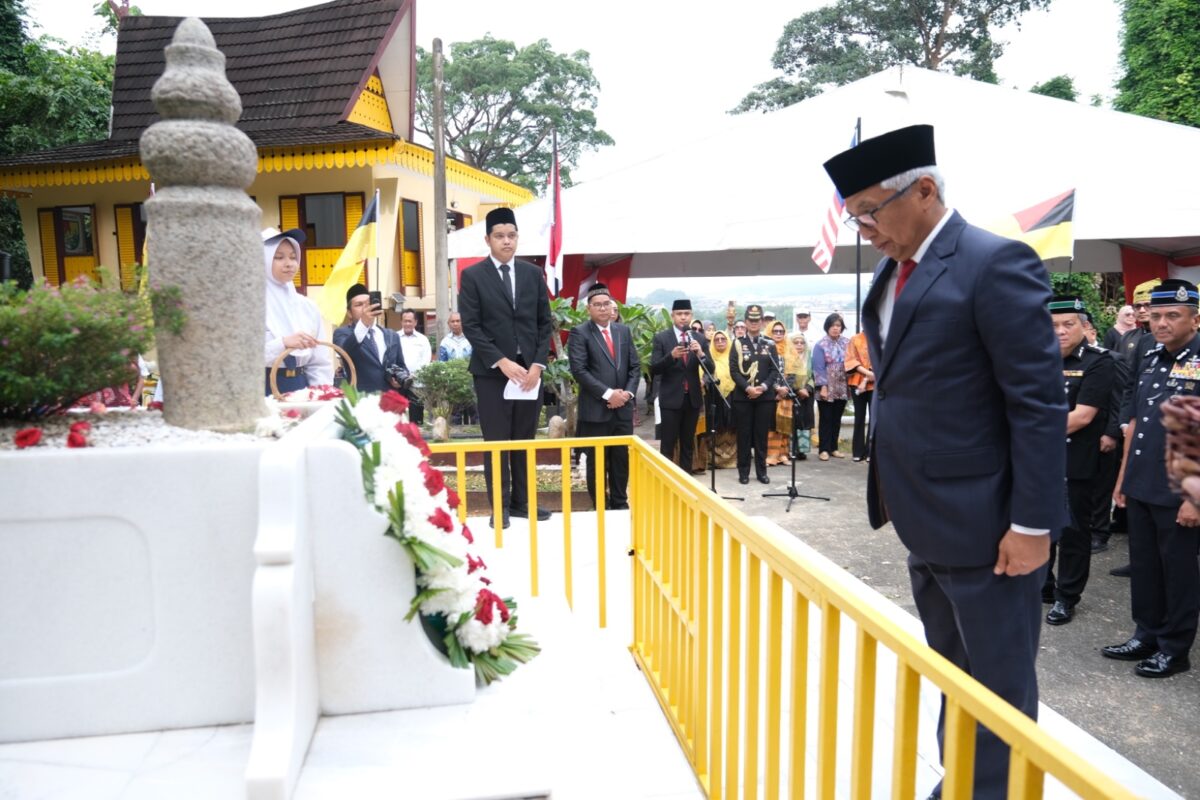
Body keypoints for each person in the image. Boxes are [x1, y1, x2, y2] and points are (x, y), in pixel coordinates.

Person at [823, 124, 1066, 800]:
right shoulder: (889, 271)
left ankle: (995, 791)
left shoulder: (995, 263)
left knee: (999, 686)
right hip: (925, 521)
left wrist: (1033, 524)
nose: (865, 228)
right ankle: (962, 780)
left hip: (991, 527)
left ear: (924, 190)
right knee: (954, 671)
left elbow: (1037, 405)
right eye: (855, 217)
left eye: (872, 211)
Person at [1107, 279, 1200, 678]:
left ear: (1195, 319)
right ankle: (1146, 633)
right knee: (1144, 566)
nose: (1161, 322)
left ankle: (1175, 649)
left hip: (1181, 489)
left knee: (1177, 572)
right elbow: (1138, 425)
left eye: (1172, 316)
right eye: (1156, 315)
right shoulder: (1153, 358)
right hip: (1143, 481)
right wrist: (1123, 481)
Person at [458, 207, 553, 529]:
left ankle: (523, 503)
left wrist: (537, 365)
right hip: (491, 373)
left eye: (511, 235)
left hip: (530, 373)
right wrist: (501, 360)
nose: (506, 241)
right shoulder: (472, 276)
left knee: (524, 439)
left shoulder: (532, 275)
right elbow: (472, 326)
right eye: (499, 236)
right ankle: (499, 508)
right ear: (488, 239)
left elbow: (544, 323)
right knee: (497, 440)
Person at [1041, 296, 1114, 626]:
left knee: (1071, 532)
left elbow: (1082, 417)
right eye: (1053, 325)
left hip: (1075, 460)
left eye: (1068, 324)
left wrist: (1028, 429)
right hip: (1038, 460)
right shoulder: (1037, 360)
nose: (1060, 331)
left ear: (1084, 326)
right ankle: (1042, 586)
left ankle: (1067, 597)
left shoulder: (1098, 361)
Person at [567, 283, 640, 510]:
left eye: (606, 304)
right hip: (596, 412)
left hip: (622, 410)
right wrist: (608, 394)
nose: (602, 309)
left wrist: (626, 394)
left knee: (621, 460)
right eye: (597, 305)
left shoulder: (623, 331)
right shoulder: (580, 333)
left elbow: (635, 367)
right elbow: (579, 371)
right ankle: (600, 505)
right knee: (597, 463)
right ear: (588, 308)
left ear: (612, 307)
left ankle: (620, 503)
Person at [263, 227, 332, 395]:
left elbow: (319, 361)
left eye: (293, 257)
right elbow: (242, 359)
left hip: (302, 386)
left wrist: (321, 394)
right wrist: (283, 343)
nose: (289, 263)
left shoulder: (307, 306)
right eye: (279, 257)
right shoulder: (249, 306)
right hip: (263, 387)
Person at [650, 299, 710, 473]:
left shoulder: (698, 338)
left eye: (687, 314)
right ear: (672, 316)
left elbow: (710, 368)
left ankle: (685, 481)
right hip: (670, 399)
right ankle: (666, 481)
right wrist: (671, 356)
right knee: (668, 444)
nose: (683, 318)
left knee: (688, 443)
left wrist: (701, 353)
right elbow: (654, 368)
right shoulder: (662, 338)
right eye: (679, 314)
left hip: (692, 399)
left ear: (691, 315)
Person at [729, 304, 784, 485]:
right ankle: (743, 471)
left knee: (761, 436)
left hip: (764, 397)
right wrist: (748, 388)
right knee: (744, 435)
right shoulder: (738, 343)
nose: (754, 323)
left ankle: (761, 471)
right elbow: (734, 370)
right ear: (745, 322)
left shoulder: (769, 343)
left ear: (761, 322)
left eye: (757, 320)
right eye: (750, 320)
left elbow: (775, 370)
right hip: (743, 397)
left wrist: (764, 387)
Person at [332, 283, 406, 394]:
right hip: (361, 401)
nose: (365, 307)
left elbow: (401, 366)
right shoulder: (342, 333)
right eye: (359, 304)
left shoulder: (391, 335)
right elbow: (345, 352)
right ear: (349, 313)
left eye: (368, 303)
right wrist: (363, 324)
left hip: (391, 401)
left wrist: (399, 379)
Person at [811, 312, 850, 461]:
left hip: (842, 385)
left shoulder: (846, 343)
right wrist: (823, 387)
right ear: (827, 327)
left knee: (837, 418)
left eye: (838, 325)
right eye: (833, 325)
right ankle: (824, 449)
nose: (835, 328)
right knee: (826, 418)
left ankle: (834, 448)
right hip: (827, 385)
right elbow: (818, 368)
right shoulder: (820, 345)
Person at [706, 330, 738, 468]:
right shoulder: (709, 359)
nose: (720, 342)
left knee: (731, 426)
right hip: (713, 397)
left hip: (732, 397)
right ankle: (715, 460)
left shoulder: (734, 359)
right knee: (715, 427)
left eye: (723, 339)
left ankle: (731, 461)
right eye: (716, 340)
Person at [765, 320, 794, 466]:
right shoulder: (765, 348)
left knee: (785, 425)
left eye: (781, 331)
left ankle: (783, 454)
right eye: (775, 331)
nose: (778, 334)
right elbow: (765, 372)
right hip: (771, 393)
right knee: (772, 425)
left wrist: (785, 390)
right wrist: (776, 389)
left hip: (786, 393)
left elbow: (795, 371)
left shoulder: (789, 349)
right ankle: (771, 455)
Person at [844, 328, 875, 462]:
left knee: (875, 418)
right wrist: (867, 374)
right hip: (857, 382)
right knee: (859, 416)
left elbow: (882, 359)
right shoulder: (855, 339)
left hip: (875, 382)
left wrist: (867, 378)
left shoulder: (881, 337)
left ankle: (870, 452)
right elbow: (850, 360)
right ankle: (857, 451)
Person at [789, 332, 815, 460]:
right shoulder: (787, 358)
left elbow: (813, 376)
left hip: (807, 394)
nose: (799, 345)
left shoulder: (809, 358)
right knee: (793, 422)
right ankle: (792, 449)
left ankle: (802, 450)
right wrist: (798, 389)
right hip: (792, 394)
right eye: (796, 343)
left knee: (805, 421)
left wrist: (807, 388)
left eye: (802, 343)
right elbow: (787, 377)